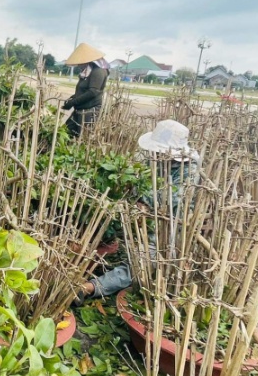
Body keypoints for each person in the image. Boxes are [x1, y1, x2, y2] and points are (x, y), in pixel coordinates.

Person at [76, 119, 200, 302]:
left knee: (140, 263)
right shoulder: (154, 159)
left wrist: (143, 199)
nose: (154, 154)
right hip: (139, 218)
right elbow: (136, 182)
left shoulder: (189, 170)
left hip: (168, 228)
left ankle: (90, 288)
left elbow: (169, 198)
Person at [62, 43, 109, 138]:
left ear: (87, 60)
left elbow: (93, 92)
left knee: (83, 138)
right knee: (65, 133)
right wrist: (72, 98)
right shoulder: (86, 72)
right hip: (79, 109)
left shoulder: (98, 71)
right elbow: (83, 90)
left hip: (89, 111)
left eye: (80, 62)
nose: (79, 65)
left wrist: (73, 102)